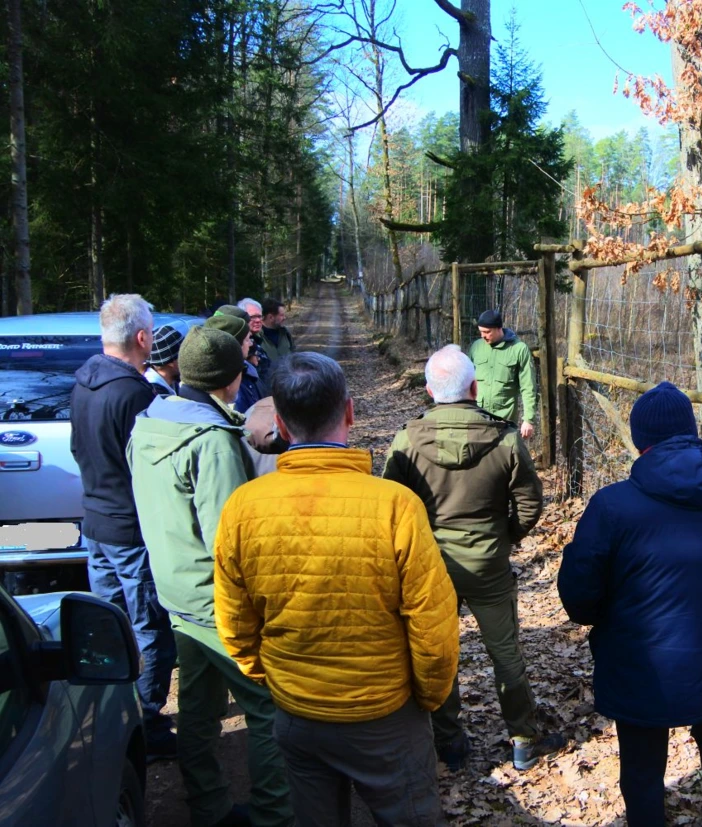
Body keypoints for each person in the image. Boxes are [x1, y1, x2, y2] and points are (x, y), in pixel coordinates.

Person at [213, 352, 459, 827]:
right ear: (349, 412)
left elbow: (234, 618)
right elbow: (433, 620)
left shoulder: (242, 507)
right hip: (385, 714)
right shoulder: (396, 505)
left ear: (282, 427)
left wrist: (267, 676)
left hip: (297, 711)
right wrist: (427, 697)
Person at [557, 382, 702, 827]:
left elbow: (579, 596)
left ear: (641, 442)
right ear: (692, 432)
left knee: (640, 758)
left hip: (635, 662)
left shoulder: (611, 506)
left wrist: (613, 620)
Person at [128, 327, 292, 827]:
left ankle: (208, 806)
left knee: (199, 710)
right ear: (233, 378)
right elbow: (231, 541)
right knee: (267, 708)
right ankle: (272, 814)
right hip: (215, 601)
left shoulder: (148, 423)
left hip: (175, 591)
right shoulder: (213, 441)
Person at [382, 345, 560, 772]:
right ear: (475, 388)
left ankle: (449, 742)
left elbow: (390, 505)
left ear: (428, 390)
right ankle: (522, 739)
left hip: (431, 565)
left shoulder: (407, 439)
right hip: (489, 564)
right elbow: (530, 504)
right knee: (505, 652)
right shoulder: (504, 438)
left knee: (440, 652)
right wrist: (505, 536)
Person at [69, 293, 177, 760]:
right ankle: (146, 724)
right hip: (130, 531)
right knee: (150, 627)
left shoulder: (83, 383)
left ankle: (114, 715)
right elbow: (150, 470)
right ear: (142, 337)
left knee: (111, 627)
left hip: (94, 522)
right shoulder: (134, 394)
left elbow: (79, 450)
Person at [468, 309, 536, 440]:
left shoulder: (519, 349)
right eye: (481, 331)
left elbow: (528, 387)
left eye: (487, 332)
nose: (483, 336)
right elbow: (466, 382)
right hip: (477, 418)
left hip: (505, 420)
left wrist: (528, 419)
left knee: (502, 459)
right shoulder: (476, 347)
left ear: (499, 328)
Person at [206, 311, 263, 414]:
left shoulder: (245, 369)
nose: (250, 344)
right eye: (247, 340)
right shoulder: (229, 380)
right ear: (235, 346)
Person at [144, 324, 183, 397]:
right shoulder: (154, 394)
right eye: (184, 354)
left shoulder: (171, 383)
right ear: (171, 363)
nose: (187, 359)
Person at [257, 297, 295, 363]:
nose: (284, 318)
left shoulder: (286, 334)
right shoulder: (256, 338)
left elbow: (293, 355)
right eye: (282, 315)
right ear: (271, 317)